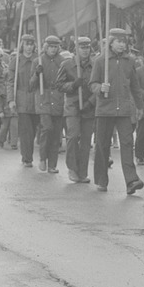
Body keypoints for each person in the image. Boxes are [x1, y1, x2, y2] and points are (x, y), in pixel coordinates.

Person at [89, 28, 144, 195]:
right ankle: (101, 179)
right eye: (119, 41)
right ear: (111, 42)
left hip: (124, 110)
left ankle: (131, 180)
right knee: (102, 145)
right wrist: (100, 87)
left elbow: (135, 85)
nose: (122, 45)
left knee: (127, 144)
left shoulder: (130, 61)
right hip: (105, 109)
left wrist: (140, 106)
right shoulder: (100, 61)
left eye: (124, 42)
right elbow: (92, 84)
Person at [55, 36, 96, 183]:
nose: (85, 50)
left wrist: (91, 102)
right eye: (82, 47)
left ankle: (82, 172)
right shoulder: (67, 65)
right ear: (75, 49)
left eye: (87, 47)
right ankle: (72, 168)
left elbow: (99, 86)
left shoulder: (95, 65)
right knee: (72, 136)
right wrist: (73, 85)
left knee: (86, 140)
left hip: (89, 106)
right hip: (72, 105)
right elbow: (59, 85)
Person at [31, 35, 65, 173]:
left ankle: (52, 164)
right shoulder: (38, 61)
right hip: (43, 98)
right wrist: (36, 74)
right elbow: (31, 85)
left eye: (55, 47)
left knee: (56, 133)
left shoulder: (62, 62)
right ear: (46, 47)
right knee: (47, 128)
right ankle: (42, 158)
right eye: (51, 46)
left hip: (57, 98)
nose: (53, 49)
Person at [8, 34, 40, 167]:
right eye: (26, 44)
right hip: (21, 98)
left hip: (37, 98)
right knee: (26, 130)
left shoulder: (39, 60)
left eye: (31, 44)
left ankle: (27, 153)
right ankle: (27, 157)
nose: (29, 47)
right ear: (22, 45)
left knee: (33, 129)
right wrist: (11, 99)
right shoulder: (16, 60)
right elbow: (10, 82)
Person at [0, 48, 18, 150]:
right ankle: (1, 140)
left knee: (14, 127)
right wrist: (0, 111)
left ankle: (13, 143)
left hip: (14, 110)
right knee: (4, 127)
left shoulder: (16, 89)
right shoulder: (2, 89)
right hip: (5, 109)